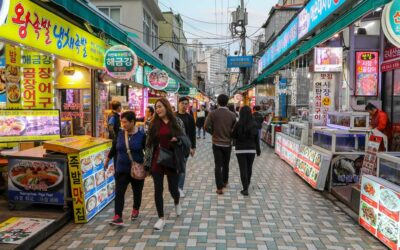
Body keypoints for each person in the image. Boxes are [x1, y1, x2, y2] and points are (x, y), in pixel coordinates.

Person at [144, 98, 185, 230]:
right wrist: (147, 163)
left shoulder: (177, 121)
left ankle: (177, 201)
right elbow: (148, 144)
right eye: (156, 107)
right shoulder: (153, 123)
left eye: (160, 106)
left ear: (166, 107)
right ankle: (161, 218)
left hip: (172, 160)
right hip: (157, 160)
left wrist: (177, 140)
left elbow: (184, 139)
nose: (158, 109)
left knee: (173, 189)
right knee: (158, 190)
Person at [105, 111, 146, 225]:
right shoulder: (120, 134)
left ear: (133, 122)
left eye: (125, 122)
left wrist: (147, 165)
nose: (123, 124)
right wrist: (108, 159)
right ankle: (118, 216)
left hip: (136, 169)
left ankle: (135, 209)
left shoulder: (142, 136)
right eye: (122, 122)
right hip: (121, 169)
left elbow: (147, 152)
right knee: (119, 193)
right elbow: (114, 147)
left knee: (137, 192)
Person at [204, 94, 237, 195]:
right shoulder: (232, 115)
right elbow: (234, 129)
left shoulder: (212, 113)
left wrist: (213, 132)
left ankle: (219, 187)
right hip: (227, 143)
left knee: (218, 165)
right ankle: (225, 181)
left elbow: (206, 127)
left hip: (216, 143)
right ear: (227, 102)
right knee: (226, 164)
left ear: (217, 102)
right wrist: (230, 135)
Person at [232, 106, 261, 196]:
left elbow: (233, 135)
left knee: (243, 168)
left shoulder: (238, 124)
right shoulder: (254, 124)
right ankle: (247, 184)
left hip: (240, 149)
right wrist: (258, 149)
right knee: (249, 168)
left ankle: (245, 188)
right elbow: (257, 138)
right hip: (251, 149)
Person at [175, 97, 196, 198]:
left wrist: (193, 147)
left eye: (186, 104)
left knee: (182, 167)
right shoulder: (173, 116)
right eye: (182, 103)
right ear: (178, 104)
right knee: (174, 168)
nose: (184, 105)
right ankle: (174, 186)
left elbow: (192, 133)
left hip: (185, 146)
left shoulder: (190, 118)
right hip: (173, 146)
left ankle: (180, 188)